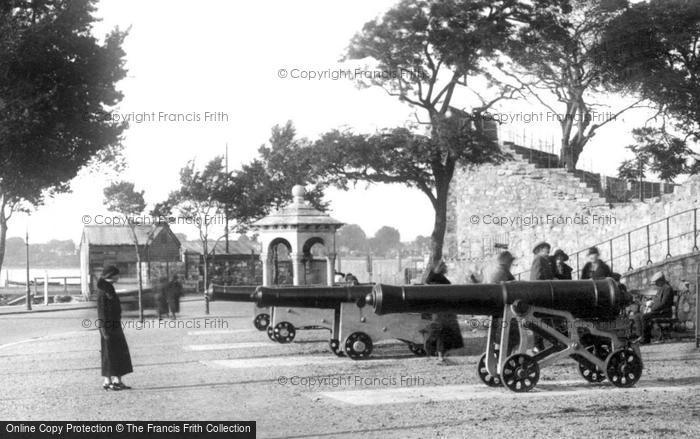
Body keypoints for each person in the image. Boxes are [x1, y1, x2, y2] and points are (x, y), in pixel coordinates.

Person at [96, 266, 133, 391]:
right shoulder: (103, 290)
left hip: (114, 325)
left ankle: (118, 380)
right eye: (117, 275)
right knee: (109, 354)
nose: (119, 277)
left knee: (119, 353)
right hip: (107, 326)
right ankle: (107, 381)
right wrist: (104, 329)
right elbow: (101, 312)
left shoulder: (109, 288)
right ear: (111, 276)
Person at [425, 260, 464, 364]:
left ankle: (440, 355)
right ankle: (441, 357)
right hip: (443, 312)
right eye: (444, 266)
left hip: (440, 311)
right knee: (442, 334)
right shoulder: (440, 280)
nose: (446, 267)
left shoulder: (433, 280)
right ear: (440, 268)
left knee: (441, 334)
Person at [637, 272, 675, 344]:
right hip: (660, 311)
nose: (656, 284)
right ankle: (643, 337)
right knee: (641, 316)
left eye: (657, 282)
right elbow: (658, 301)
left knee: (645, 317)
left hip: (664, 312)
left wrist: (653, 308)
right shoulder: (663, 288)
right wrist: (652, 304)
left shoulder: (667, 288)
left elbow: (664, 303)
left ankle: (646, 339)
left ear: (661, 281)